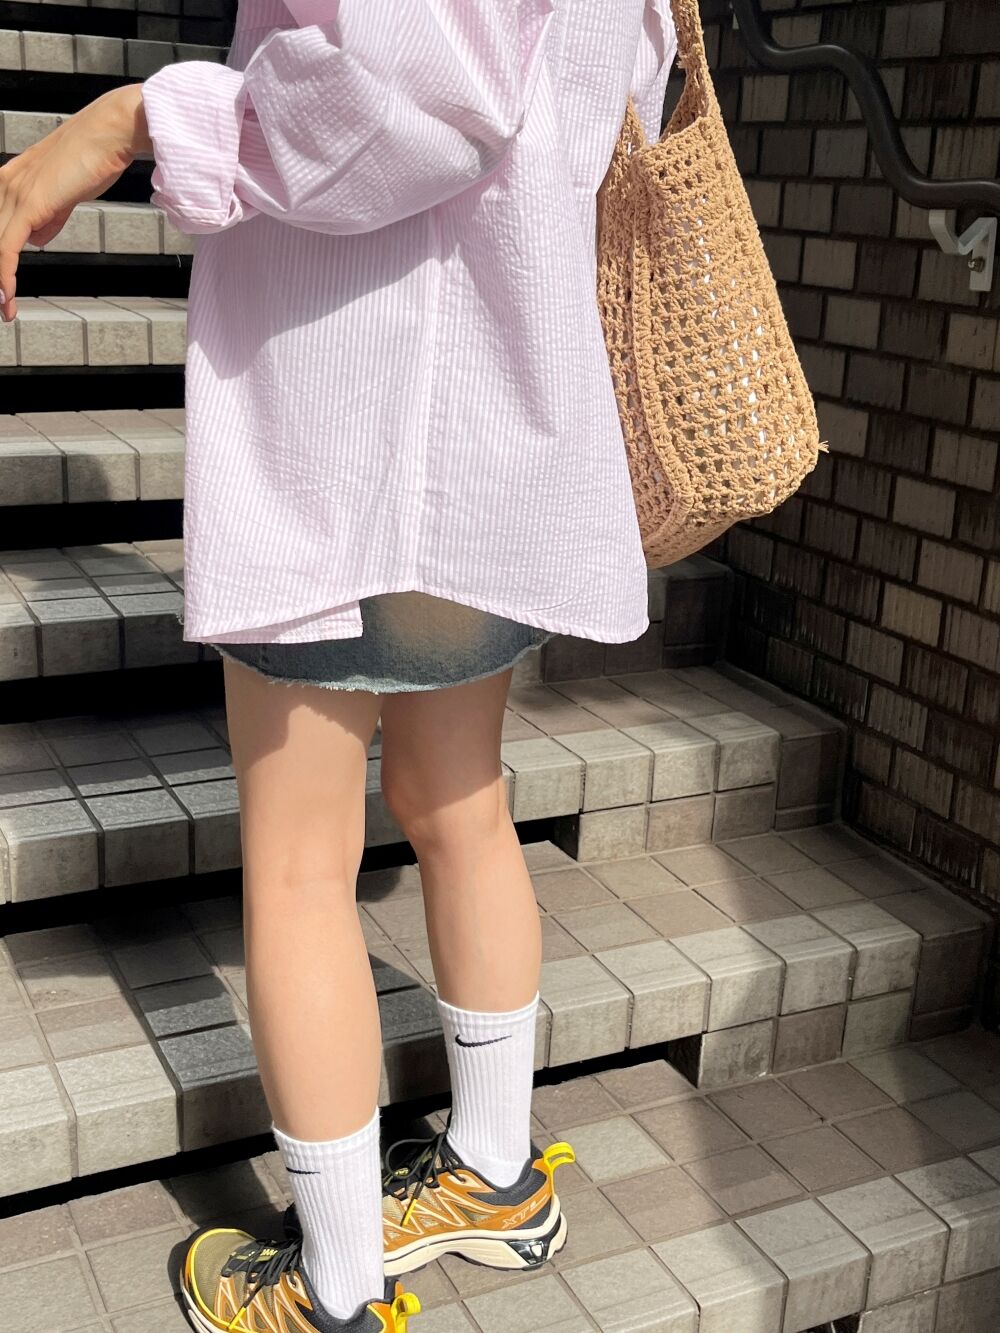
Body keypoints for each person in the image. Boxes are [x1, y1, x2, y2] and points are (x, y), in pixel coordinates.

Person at [0, 3, 676, 1329]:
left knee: (302, 865)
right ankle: (492, 1174)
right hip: (494, 409)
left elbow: (411, 99)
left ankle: (333, 1289)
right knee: (459, 805)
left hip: (352, 416)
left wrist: (132, 120)